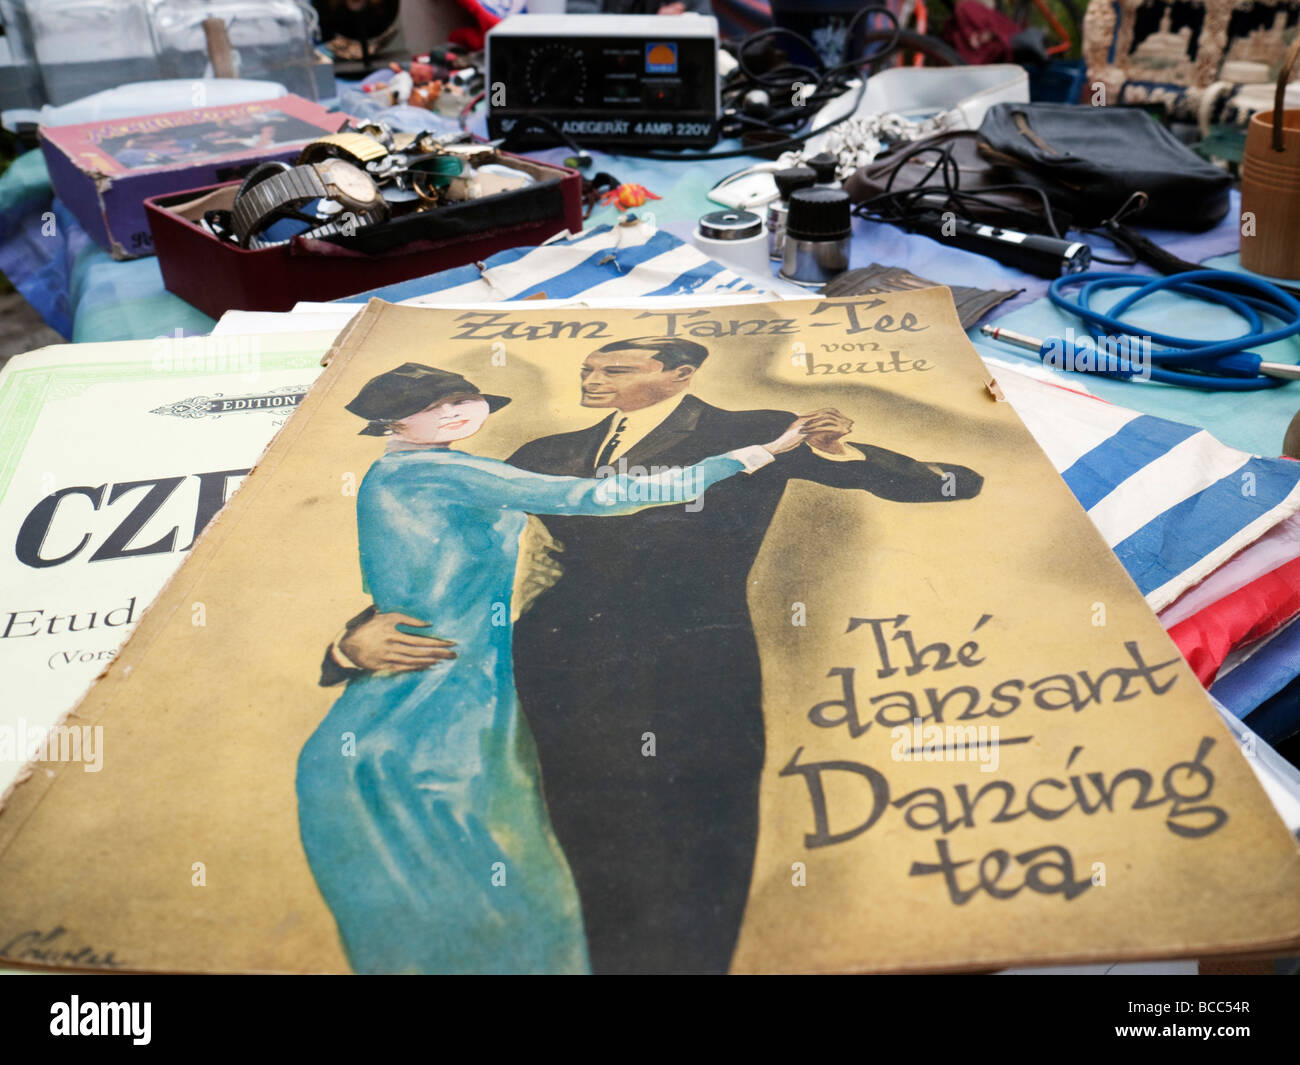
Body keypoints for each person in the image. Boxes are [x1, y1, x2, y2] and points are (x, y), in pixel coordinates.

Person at [323, 338, 984, 973]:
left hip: (696, 671)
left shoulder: (756, 429)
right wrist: (352, 642)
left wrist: (844, 453)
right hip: (554, 674)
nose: (593, 379)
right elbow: (441, 557)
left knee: (702, 848)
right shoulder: (545, 451)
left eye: (613, 367)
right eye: (588, 367)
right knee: (578, 856)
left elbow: (946, 483)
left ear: (680, 373)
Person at [297, 361, 810, 974]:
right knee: (480, 867)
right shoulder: (435, 472)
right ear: (392, 421)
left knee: (500, 865)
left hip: (483, 681)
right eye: (435, 407)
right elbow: (597, 497)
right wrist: (755, 453)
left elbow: (433, 575)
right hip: (441, 696)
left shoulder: (440, 470)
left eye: (464, 398)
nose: (456, 412)